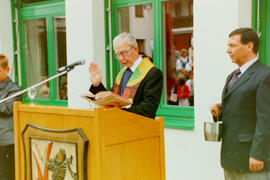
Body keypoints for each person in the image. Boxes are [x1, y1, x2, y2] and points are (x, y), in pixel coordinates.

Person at [210, 28, 270, 179]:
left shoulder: (265, 76)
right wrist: (219, 112)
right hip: (231, 159)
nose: (228, 50)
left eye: (233, 46)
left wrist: (258, 154)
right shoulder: (233, 76)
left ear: (249, 46)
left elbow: (266, 119)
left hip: (252, 161)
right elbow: (240, 110)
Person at [89, 33, 163, 119]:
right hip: (119, 125)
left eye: (123, 53)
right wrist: (97, 85)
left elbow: (149, 108)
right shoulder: (123, 72)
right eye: (117, 54)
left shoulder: (152, 73)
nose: (120, 58)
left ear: (136, 49)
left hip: (139, 127)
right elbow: (112, 99)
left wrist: (121, 111)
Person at [0, 54, 22, 179]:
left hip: (6, 142)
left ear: (7, 70)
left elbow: (7, 108)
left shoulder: (14, 89)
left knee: (6, 176)